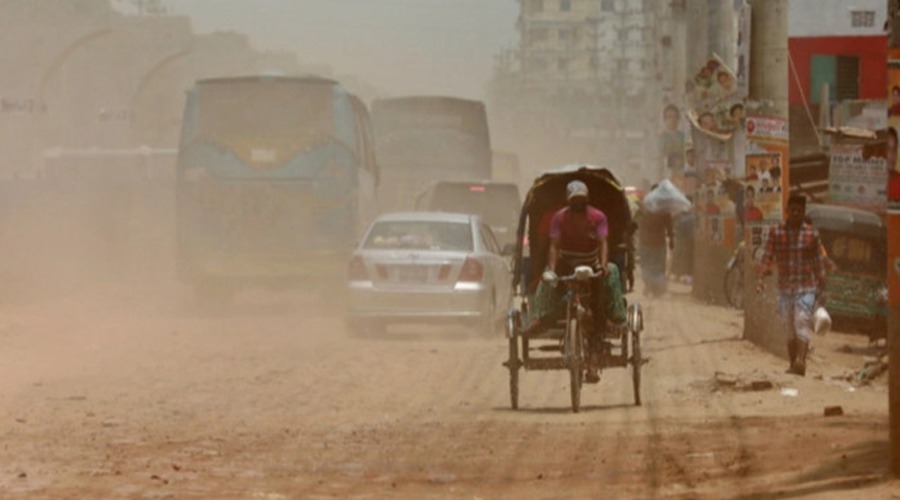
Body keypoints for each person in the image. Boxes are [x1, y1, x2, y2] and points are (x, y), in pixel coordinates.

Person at [526, 180, 627, 383]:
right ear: (568, 201)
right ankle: (543, 315)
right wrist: (552, 270)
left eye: (581, 200)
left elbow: (603, 242)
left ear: (586, 200)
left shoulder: (598, 217)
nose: (578, 204)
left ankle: (607, 321)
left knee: (608, 282)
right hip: (566, 262)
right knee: (548, 278)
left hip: (591, 262)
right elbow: (554, 245)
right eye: (574, 201)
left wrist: (604, 266)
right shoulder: (559, 218)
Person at [755, 194, 826, 376]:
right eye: (792, 210)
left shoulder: (812, 234)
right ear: (787, 211)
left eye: (799, 210)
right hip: (784, 288)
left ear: (803, 212)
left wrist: (822, 287)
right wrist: (761, 278)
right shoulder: (776, 232)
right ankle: (793, 363)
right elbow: (767, 257)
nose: (795, 213)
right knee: (788, 326)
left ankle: (801, 362)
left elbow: (818, 262)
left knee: (801, 321)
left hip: (806, 287)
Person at [637, 186, 674, 297]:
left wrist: (671, 238)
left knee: (651, 266)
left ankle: (652, 287)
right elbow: (669, 227)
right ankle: (651, 287)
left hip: (651, 243)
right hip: (653, 243)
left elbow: (669, 226)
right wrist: (671, 239)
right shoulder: (662, 208)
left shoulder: (645, 207)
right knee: (653, 267)